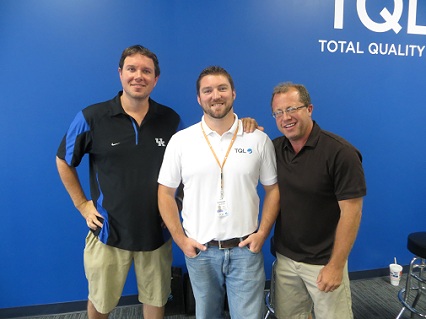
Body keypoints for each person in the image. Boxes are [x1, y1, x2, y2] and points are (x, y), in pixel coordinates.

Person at [56, 45, 259, 319]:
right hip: (108, 232)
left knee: (156, 300)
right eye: (132, 69)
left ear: (155, 78)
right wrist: (82, 204)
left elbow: (193, 164)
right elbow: (63, 160)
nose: (138, 76)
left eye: (146, 71)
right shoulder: (92, 117)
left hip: (156, 234)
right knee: (101, 302)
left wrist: (244, 125)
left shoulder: (170, 120)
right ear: (120, 73)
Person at [157, 66, 280, 319]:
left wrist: (263, 233)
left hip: (246, 249)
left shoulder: (257, 139)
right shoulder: (181, 141)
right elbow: (165, 194)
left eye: (222, 88)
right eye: (208, 90)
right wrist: (181, 240)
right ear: (199, 98)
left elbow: (273, 189)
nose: (216, 95)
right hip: (201, 251)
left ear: (233, 93)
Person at [270, 82, 366, 319]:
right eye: (278, 112)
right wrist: (246, 125)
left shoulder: (340, 153)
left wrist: (336, 266)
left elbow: (351, 214)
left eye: (292, 109)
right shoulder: (274, 148)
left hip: (324, 262)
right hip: (286, 260)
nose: (286, 117)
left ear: (309, 109)